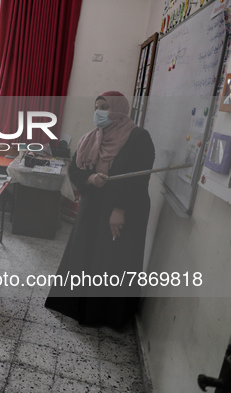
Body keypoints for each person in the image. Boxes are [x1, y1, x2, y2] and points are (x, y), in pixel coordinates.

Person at [44, 91, 155, 329]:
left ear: (119, 109)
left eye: (104, 107)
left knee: (109, 260)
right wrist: (91, 178)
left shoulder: (138, 137)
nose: (99, 112)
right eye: (96, 107)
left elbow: (139, 179)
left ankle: (102, 314)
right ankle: (76, 306)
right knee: (84, 252)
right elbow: (75, 171)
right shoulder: (89, 138)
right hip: (93, 204)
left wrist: (120, 210)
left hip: (122, 208)